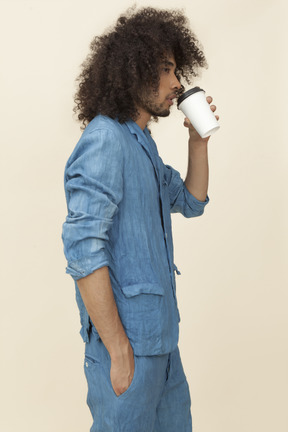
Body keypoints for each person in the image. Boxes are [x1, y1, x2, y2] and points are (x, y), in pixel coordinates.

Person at [62, 6, 218, 432]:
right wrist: (117, 349)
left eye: (176, 69)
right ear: (134, 72)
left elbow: (191, 200)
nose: (177, 82)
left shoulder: (142, 144)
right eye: (166, 70)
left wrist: (199, 143)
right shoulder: (105, 140)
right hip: (129, 348)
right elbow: (82, 250)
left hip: (164, 345)